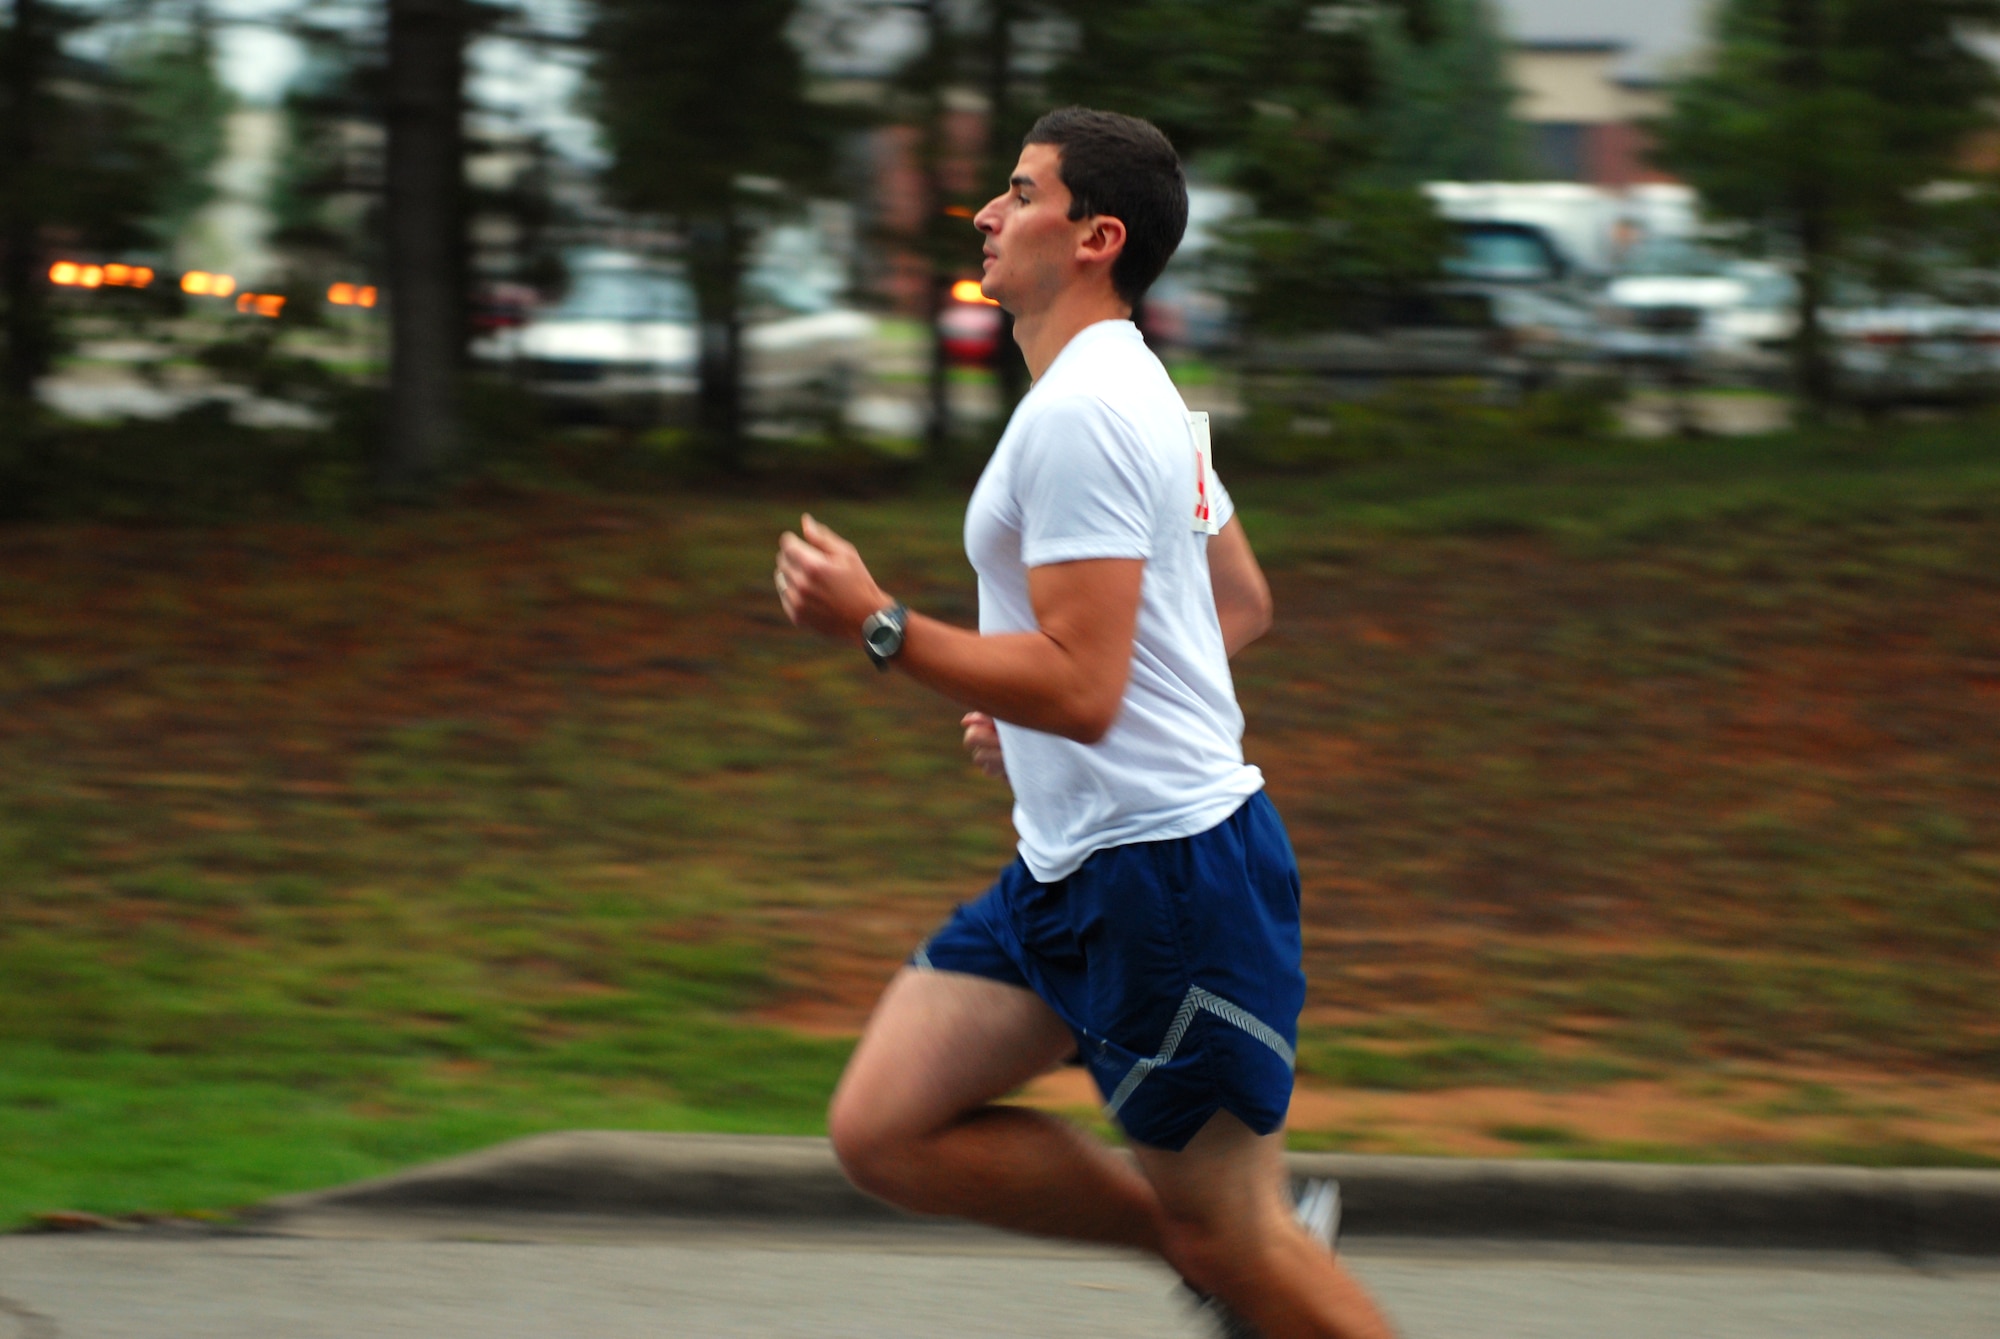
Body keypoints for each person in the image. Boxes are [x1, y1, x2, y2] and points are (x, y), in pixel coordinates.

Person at [774, 106, 1397, 1339]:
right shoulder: (1142, 394)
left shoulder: (1085, 416)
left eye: (1019, 192)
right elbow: (1237, 604)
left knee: (1242, 1236)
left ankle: (1228, 1246)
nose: (985, 214)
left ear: (1095, 235)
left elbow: (1085, 682)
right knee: (883, 1128)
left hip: (1167, 881)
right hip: (1071, 875)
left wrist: (879, 625)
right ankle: (1203, 1243)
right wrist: (1045, 714)